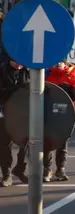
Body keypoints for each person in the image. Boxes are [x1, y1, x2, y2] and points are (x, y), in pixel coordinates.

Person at [45, 61, 75, 182]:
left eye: (60, 62)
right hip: (48, 113)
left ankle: (60, 169)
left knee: (62, 141)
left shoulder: (72, 75)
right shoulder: (46, 74)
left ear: (65, 63)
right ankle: (47, 169)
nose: (57, 64)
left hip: (66, 113)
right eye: (55, 61)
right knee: (47, 141)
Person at [0, 54, 29, 186]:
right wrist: (17, 90)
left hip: (23, 112)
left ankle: (19, 168)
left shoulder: (28, 71)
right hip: (5, 111)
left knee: (27, 142)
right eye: (16, 63)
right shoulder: (2, 71)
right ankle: (6, 175)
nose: (18, 65)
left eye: (20, 63)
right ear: (10, 60)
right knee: (5, 145)